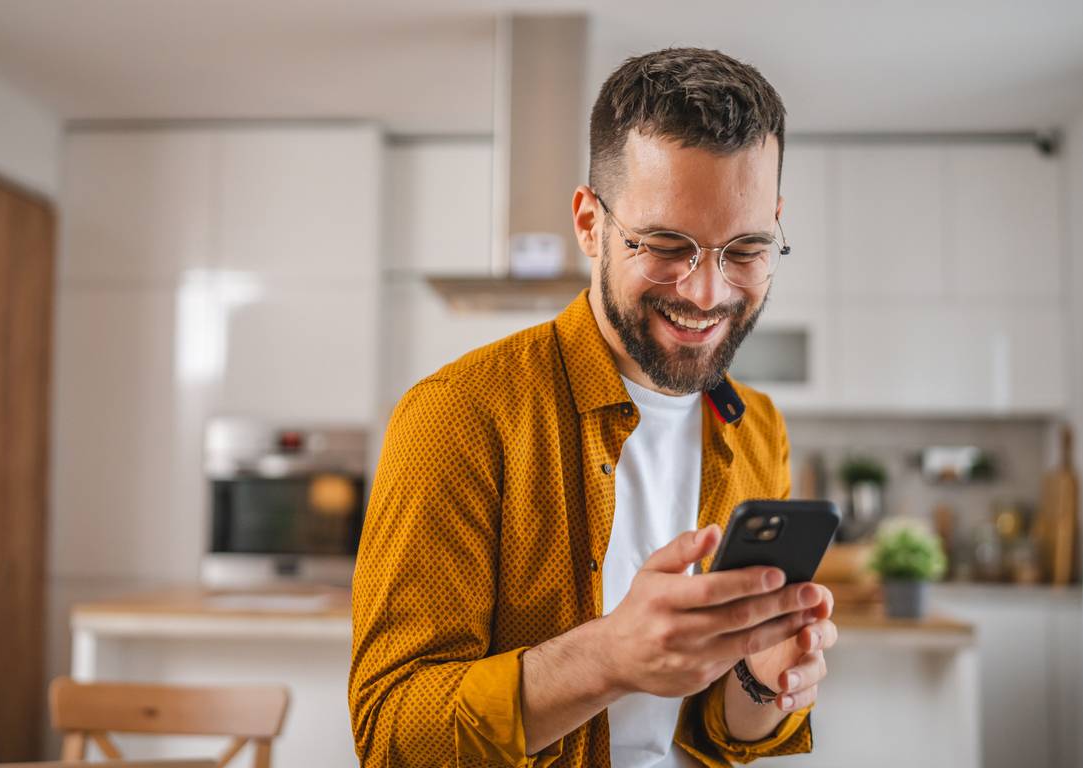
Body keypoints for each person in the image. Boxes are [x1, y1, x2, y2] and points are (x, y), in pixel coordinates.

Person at [348, 47, 836, 768]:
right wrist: (605, 658)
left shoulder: (755, 425)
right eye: (666, 245)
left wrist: (761, 683)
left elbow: (721, 735)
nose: (706, 293)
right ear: (589, 223)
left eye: (745, 249)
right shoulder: (455, 417)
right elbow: (392, 736)